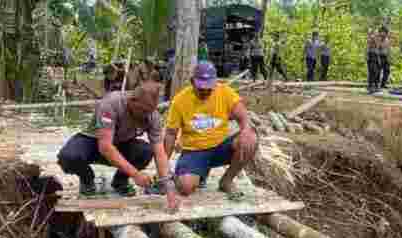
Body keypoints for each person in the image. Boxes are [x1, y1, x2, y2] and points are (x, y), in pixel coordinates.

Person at [57, 80, 179, 210]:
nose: (146, 115)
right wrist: (136, 174)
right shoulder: (111, 103)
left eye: (150, 111)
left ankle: (120, 181)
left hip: (122, 144)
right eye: (143, 111)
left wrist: (169, 188)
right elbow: (105, 147)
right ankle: (87, 179)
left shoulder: (152, 116)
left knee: (146, 151)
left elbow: (160, 152)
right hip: (93, 142)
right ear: (132, 101)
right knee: (68, 156)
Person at [163, 61, 258, 198]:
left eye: (209, 88)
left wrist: (245, 131)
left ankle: (226, 181)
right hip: (194, 150)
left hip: (220, 147)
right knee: (185, 187)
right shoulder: (180, 100)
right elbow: (171, 134)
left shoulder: (224, 92)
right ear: (192, 82)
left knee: (251, 139)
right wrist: (163, 167)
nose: (206, 92)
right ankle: (192, 173)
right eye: (201, 89)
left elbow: (243, 116)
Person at [366, 27, 381, 93]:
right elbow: (369, 47)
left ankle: (375, 86)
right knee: (372, 72)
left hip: (376, 55)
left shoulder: (378, 39)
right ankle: (371, 86)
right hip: (371, 55)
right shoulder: (371, 38)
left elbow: (378, 47)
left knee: (377, 71)